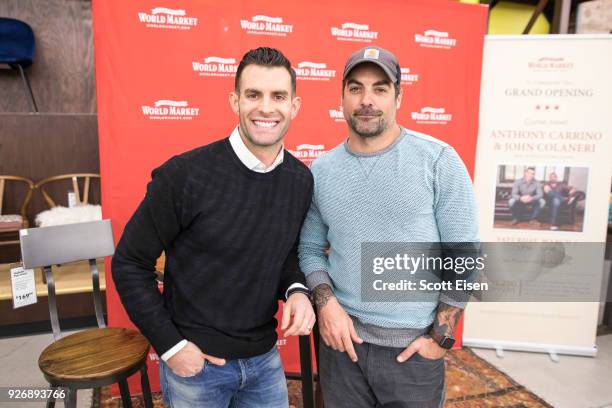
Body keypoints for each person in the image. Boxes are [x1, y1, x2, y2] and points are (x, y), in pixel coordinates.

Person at [112, 47, 315, 408]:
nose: (266, 108)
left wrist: (297, 290)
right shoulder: (185, 175)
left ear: (294, 106)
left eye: (278, 96)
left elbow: (284, 256)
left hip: (265, 363)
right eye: (253, 95)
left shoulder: (300, 180)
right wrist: (172, 348)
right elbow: (129, 263)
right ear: (235, 101)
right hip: (197, 367)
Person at [298, 46, 479, 407]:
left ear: (399, 95)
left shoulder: (438, 160)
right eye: (356, 88)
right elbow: (309, 249)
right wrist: (327, 304)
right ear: (342, 96)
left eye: (380, 88)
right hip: (341, 346)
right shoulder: (322, 170)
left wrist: (439, 340)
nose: (367, 100)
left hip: (413, 352)